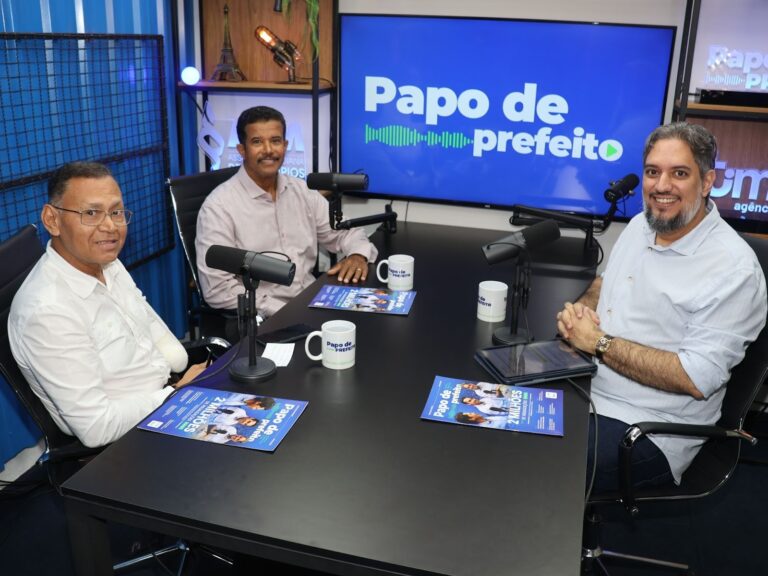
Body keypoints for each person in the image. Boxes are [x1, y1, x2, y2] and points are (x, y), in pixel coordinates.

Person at [556, 122, 767, 493]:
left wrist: (598, 343)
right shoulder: (641, 224)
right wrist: (581, 313)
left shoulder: (735, 270)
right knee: (495, 418)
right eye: (653, 172)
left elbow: (695, 378)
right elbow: (604, 283)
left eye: (679, 173)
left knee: (534, 460)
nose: (661, 185)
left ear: (707, 182)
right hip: (587, 388)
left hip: (647, 429)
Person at [8, 162, 207, 448]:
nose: (110, 227)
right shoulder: (47, 311)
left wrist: (183, 374)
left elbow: (147, 322)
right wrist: (177, 393)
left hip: (165, 397)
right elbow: (97, 428)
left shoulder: (106, 263)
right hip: (127, 441)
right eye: (91, 213)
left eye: (116, 212)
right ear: (52, 220)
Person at [196, 106, 379, 319]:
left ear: (285, 145)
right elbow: (217, 289)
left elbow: (346, 232)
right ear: (242, 150)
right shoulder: (218, 207)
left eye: (275, 141)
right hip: (264, 317)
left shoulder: (301, 191)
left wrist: (357, 255)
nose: (268, 150)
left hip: (312, 302)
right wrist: (282, 311)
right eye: (257, 142)